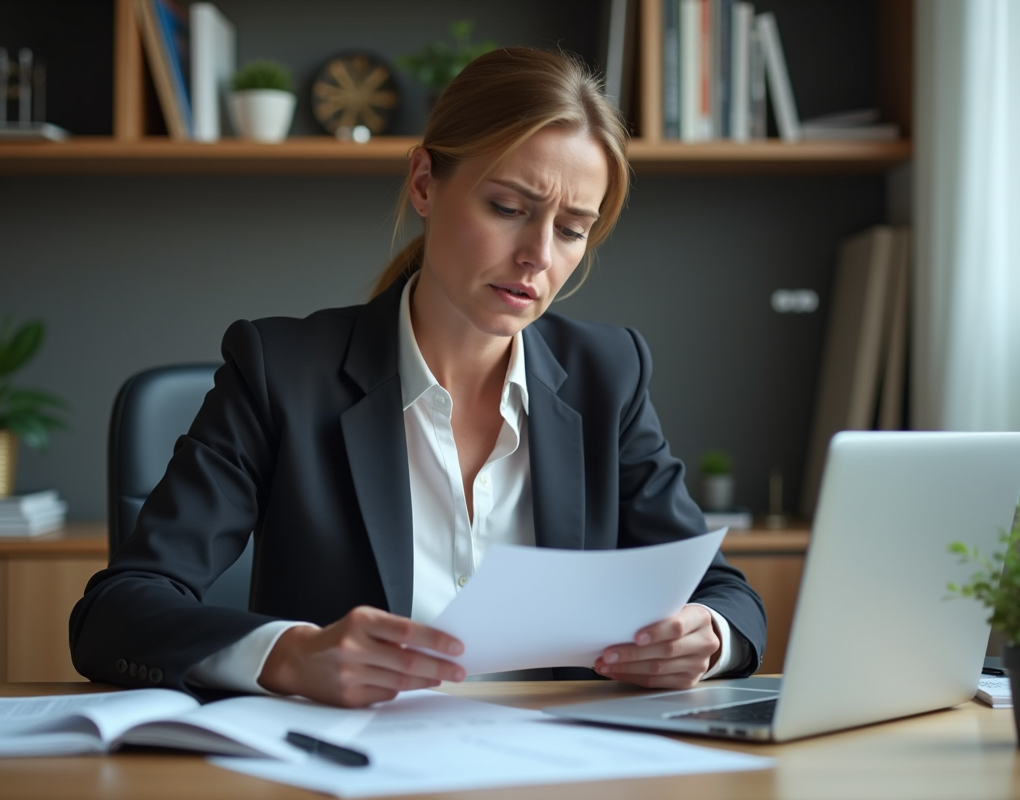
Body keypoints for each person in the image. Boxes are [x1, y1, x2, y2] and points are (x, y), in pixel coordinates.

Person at [70, 47, 766, 709]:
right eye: (509, 208)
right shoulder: (280, 371)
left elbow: (723, 594)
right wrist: (291, 656)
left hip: (558, 768)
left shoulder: (605, 376)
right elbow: (116, 613)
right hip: (349, 765)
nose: (537, 256)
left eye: (572, 228)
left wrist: (707, 637)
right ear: (426, 182)